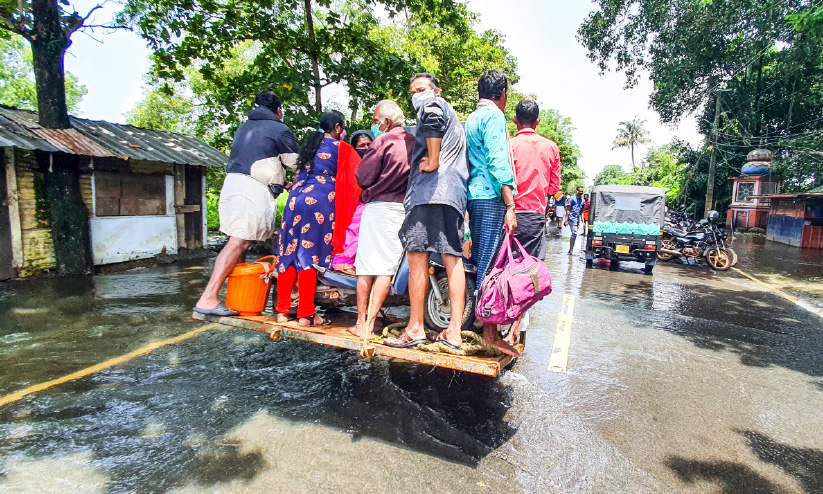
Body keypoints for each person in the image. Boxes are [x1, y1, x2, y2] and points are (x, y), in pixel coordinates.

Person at [194, 91, 298, 316]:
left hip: (233, 186)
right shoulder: (279, 128)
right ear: (278, 111)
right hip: (251, 191)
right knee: (238, 243)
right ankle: (208, 297)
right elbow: (295, 162)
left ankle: (238, 299)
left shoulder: (244, 128)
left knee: (241, 244)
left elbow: (260, 161)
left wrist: (281, 181)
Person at [384, 73, 468, 350]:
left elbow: (431, 117)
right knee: (452, 257)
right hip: (452, 194)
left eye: (421, 89)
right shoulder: (454, 119)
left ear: (436, 91)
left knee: (417, 256)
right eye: (413, 91)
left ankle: (416, 327)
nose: (416, 95)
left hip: (431, 193)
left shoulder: (434, 106)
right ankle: (454, 331)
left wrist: (431, 161)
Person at [273, 111, 355, 326]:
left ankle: (282, 311)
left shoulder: (309, 146)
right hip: (320, 200)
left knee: (288, 252)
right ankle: (306, 314)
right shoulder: (342, 148)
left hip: (294, 200)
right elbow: (359, 177)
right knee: (309, 254)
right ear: (338, 127)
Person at [348, 100, 415, 338]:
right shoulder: (413, 142)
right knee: (386, 268)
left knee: (366, 268)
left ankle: (360, 323)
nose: (374, 125)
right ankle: (371, 323)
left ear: (386, 122)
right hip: (402, 209)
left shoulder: (383, 141)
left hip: (378, 208)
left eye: (376, 121)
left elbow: (363, 176)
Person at [465, 69, 520, 358]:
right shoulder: (494, 116)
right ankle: (489, 333)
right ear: (502, 95)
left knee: (480, 261)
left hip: (474, 196)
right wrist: (510, 205)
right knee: (489, 265)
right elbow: (499, 162)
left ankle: (480, 324)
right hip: (490, 198)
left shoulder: (471, 118)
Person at [504, 99, 561, 345]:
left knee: (504, 269)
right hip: (535, 217)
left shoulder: (509, 145)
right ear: (537, 122)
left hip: (508, 213)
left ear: (515, 120)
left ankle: (502, 322)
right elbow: (553, 187)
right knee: (530, 274)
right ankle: (516, 328)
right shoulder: (551, 147)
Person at [331, 130, 373, 274]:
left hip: (369, 203)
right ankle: (343, 261)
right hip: (353, 204)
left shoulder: (377, 161)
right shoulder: (350, 163)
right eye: (362, 146)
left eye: (369, 144)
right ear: (354, 149)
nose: (366, 148)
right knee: (361, 218)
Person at [564, 185, 586, 255]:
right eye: (579, 192)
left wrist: (583, 221)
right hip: (572, 218)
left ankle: (571, 249)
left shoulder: (583, 200)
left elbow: (582, 211)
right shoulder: (572, 199)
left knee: (575, 234)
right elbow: (568, 209)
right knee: (574, 233)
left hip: (577, 219)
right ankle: (571, 250)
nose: (580, 193)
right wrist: (566, 220)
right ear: (577, 191)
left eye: (582, 192)